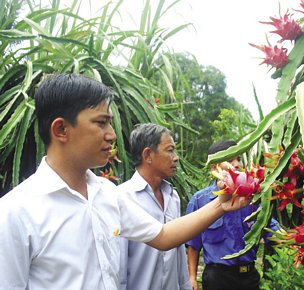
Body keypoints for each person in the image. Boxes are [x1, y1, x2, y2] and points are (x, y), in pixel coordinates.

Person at [0, 74, 249, 290]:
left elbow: (163, 236)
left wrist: (221, 204)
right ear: (61, 130)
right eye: (101, 122)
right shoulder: (16, 212)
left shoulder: (106, 193)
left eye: (110, 122)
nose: (111, 134)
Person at [186, 140, 280, 290]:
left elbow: (269, 226)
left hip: (248, 277)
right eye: (230, 160)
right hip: (217, 278)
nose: (236, 164)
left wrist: (292, 240)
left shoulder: (253, 198)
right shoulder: (200, 200)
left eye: (239, 159)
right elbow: (193, 245)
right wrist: (191, 277)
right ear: (214, 167)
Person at [119, 123, 191, 290]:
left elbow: (179, 251)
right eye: (170, 150)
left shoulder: (172, 197)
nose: (176, 157)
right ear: (148, 155)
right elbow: (119, 265)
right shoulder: (123, 198)